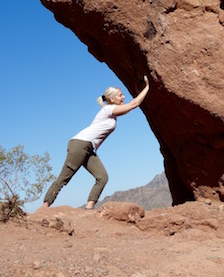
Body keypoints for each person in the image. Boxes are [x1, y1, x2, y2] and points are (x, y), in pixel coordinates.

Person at [42, 76, 150, 210]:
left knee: (102, 177)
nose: (123, 97)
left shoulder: (112, 113)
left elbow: (130, 106)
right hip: (80, 144)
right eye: (120, 95)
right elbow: (133, 105)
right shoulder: (108, 109)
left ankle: (89, 208)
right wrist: (147, 87)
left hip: (89, 148)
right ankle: (44, 207)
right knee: (64, 177)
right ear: (112, 99)